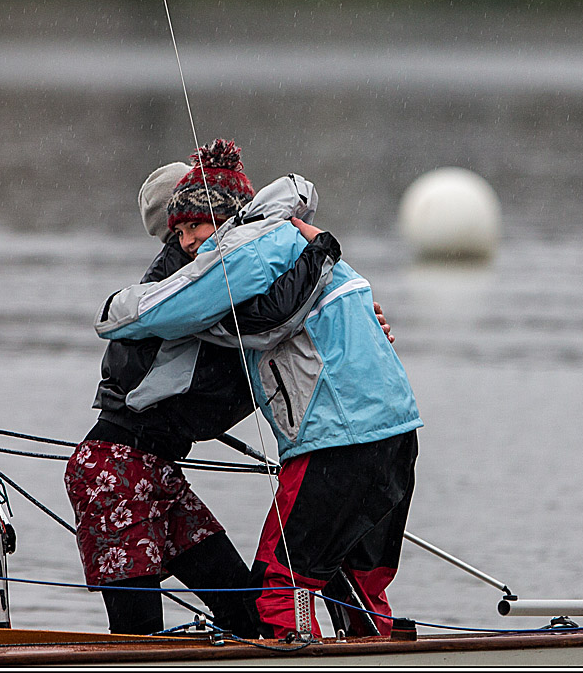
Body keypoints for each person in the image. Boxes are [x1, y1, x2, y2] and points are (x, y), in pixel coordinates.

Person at [95, 139, 423, 640]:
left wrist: (113, 310)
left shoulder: (245, 260)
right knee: (349, 577)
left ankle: (309, 654)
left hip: (338, 441)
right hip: (394, 433)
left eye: (194, 226)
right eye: (175, 232)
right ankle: (369, 647)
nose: (185, 244)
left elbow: (260, 319)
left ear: (228, 217)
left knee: (280, 583)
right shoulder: (291, 248)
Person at [66, 147, 345, 637]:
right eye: (182, 227)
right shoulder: (184, 288)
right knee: (139, 638)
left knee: (245, 614)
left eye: (199, 222)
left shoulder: (226, 268)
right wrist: (322, 251)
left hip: (158, 469)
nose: (192, 237)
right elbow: (272, 320)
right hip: (114, 468)